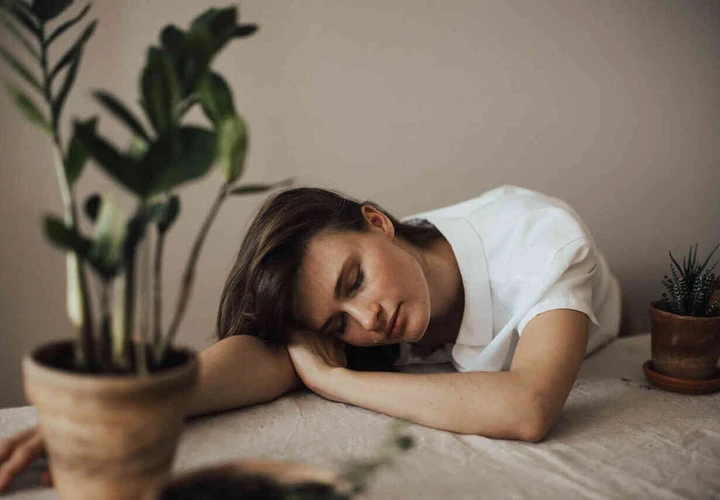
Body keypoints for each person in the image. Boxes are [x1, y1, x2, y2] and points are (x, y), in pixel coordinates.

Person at [0, 185, 622, 491]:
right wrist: (129, 406)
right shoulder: (366, 305)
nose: (366, 321)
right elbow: (265, 354)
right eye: (336, 325)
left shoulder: (539, 238)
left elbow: (527, 407)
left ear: (377, 223)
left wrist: (337, 380)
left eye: (355, 280)